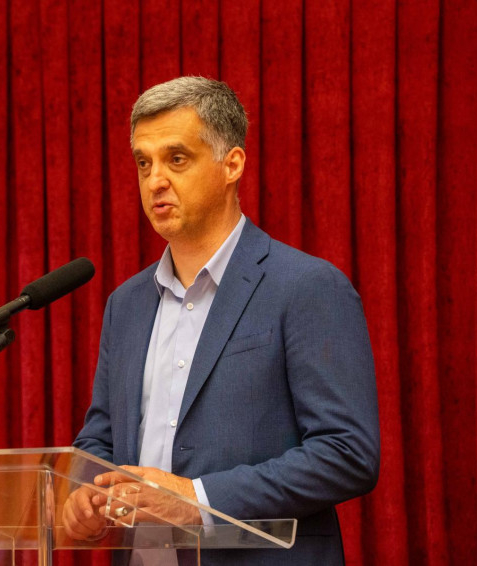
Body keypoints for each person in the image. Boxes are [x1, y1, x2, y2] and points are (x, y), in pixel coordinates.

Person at [64, 77, 380, 565]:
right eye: (143, 163)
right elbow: (101, 438)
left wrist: (198, 500)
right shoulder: (125, 304)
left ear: (232, 164)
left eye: (176, 159)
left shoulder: (306, 287)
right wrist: (83, 492)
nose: (154, 181)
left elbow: (347, 453)